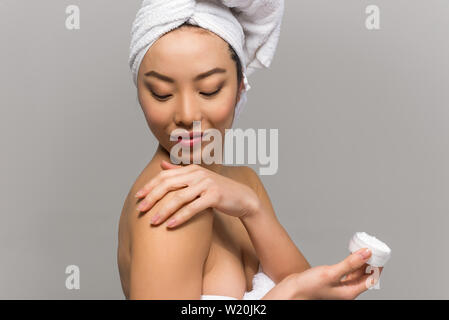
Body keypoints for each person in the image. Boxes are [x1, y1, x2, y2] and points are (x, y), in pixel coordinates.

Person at [117, 2, 383, 300]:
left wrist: (251, 206)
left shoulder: (243, 186)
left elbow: (312, 296)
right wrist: (288, 293)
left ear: (240, 86)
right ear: (139, 91)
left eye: (209, 89)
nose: (187, 114)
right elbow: (294, 291)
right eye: (161, 93)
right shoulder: (170, 208)